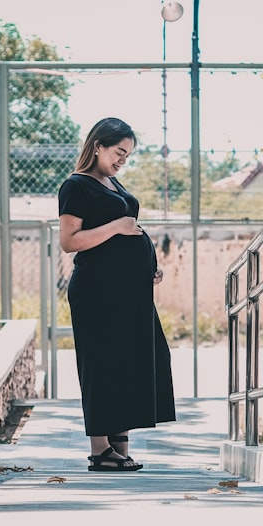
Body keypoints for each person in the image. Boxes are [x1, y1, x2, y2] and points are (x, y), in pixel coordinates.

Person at [58, 117, 176, 472]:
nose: (123, 159)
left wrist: (146, 267)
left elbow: (127, 236)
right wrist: (118, 227)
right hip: (97, 293)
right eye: (119, 152)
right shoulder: (75, 186)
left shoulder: (112, 183)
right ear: (98, 146)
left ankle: (119, 445)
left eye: (128, 155)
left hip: (129, 293)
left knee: (129, 363)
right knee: (101, 365)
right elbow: (69, 242)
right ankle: (100, 450)